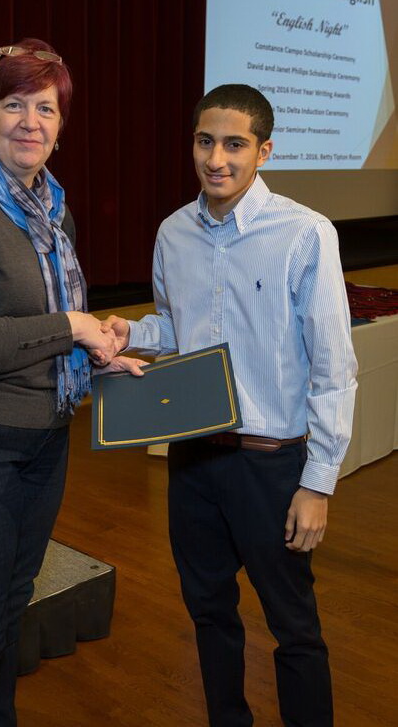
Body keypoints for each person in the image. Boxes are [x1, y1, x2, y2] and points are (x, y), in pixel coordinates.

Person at [104, 84, 358, 726]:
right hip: (191, 464)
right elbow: (177, 328)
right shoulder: (173, 232)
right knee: (209, 616)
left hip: (269, 468)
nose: (217, 158)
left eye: (235, 144)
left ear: (263, 151)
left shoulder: (305, 234)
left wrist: (318, 484)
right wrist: (129, 332)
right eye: (205, 141)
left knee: (294, 629)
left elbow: (334, 367)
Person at [0, 38, 141, 726]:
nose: (30, 120)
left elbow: (41, 325)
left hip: (43, 438)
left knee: (8, 614)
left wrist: (93, 349)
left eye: (45, 106)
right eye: (13, 104)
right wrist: (71, 328)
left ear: (62, 123)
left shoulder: (51, 209)